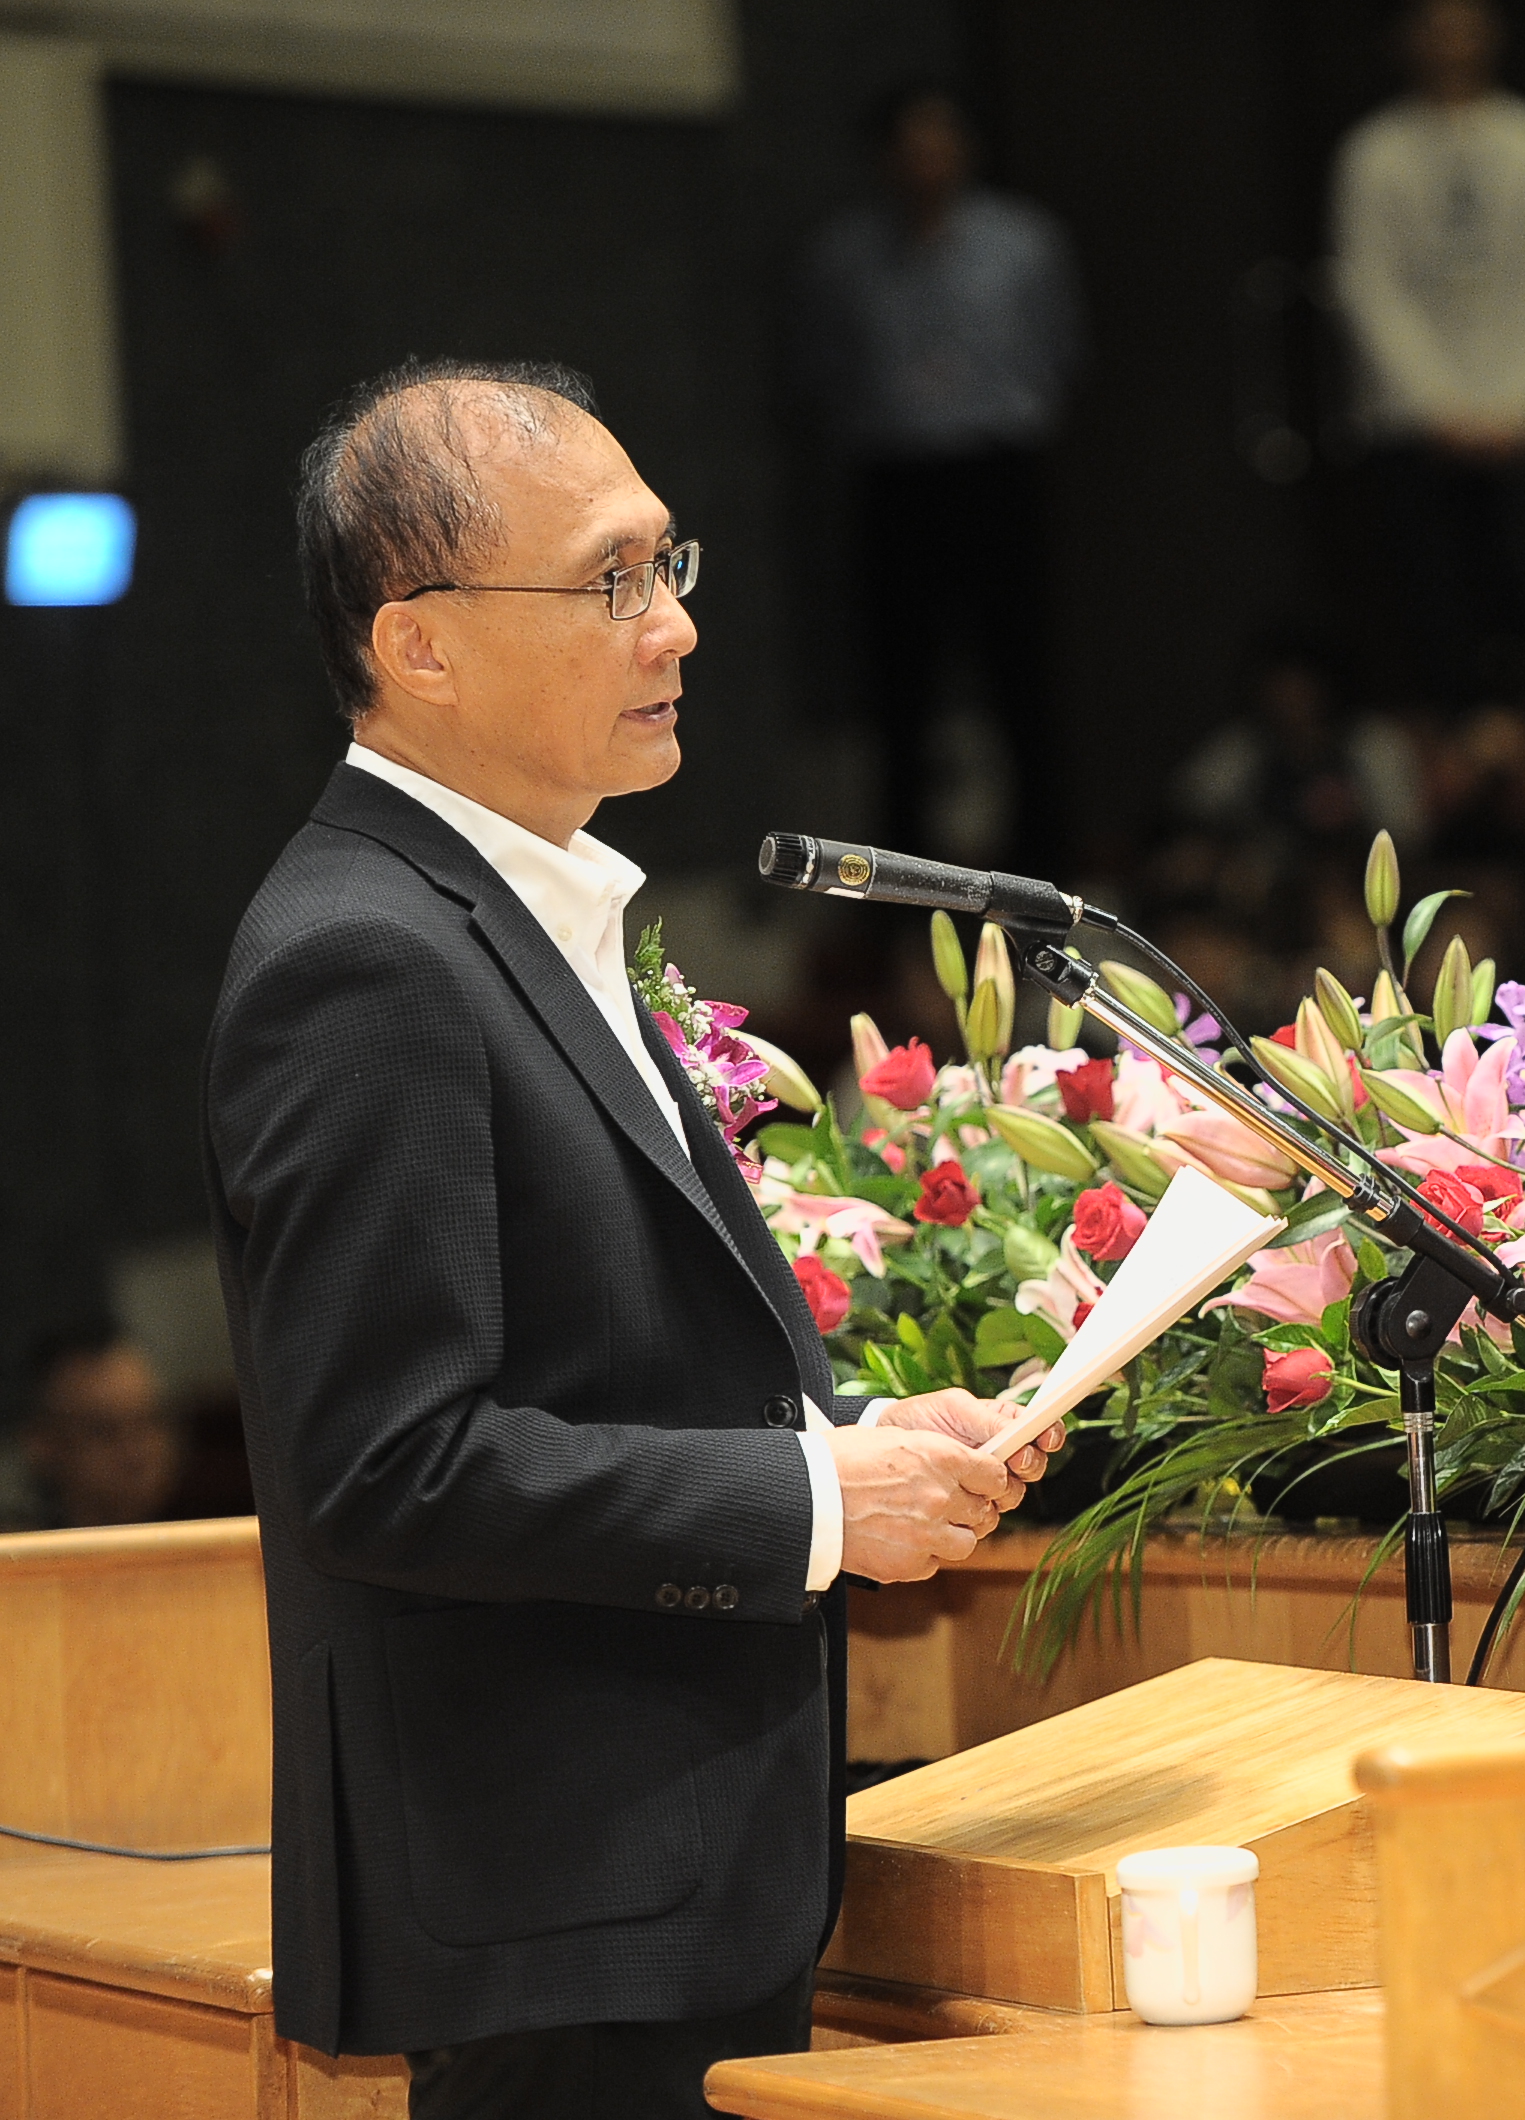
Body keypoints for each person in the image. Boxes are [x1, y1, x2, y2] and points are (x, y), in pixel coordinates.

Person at [213, 359, 1063, 2111]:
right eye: (609, 581)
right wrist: (817, 1509)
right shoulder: (365, 957)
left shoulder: (521, 904)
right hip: (553, 1904)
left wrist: (848, 1441)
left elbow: (604, 1361)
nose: (670, 627)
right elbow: (389, 1464)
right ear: (419, 643)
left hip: (649, 1890)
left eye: (672, 566)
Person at [801, 86, 1085, 866]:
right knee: (900, 692)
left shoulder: (1024, 243)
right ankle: (898, 881)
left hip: (996, 470)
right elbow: (825, 371)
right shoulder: (845, 257)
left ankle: (1047, 863)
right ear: (884, 157)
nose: (926, 159)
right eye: (909, 144)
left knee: (1021, 675)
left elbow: (1060, 351)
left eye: (940, 140)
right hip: (895, 478)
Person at [1333, 0, 1525, 708]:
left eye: (1465, 24)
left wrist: (1521, 403)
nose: (1451, 43)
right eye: (1434, 26)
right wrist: (1436, 406)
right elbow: (1369, 287)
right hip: (1417, 424)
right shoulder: (1374, 152)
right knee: (1432, 606)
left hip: (1517, 417)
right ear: (1404, 39)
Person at [0, 1321, 181, 1532]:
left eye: (150, 1422)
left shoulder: (209, 1531)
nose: (136, 1454)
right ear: (44, 1444)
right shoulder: (19, 1553)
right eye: (104, 1432)